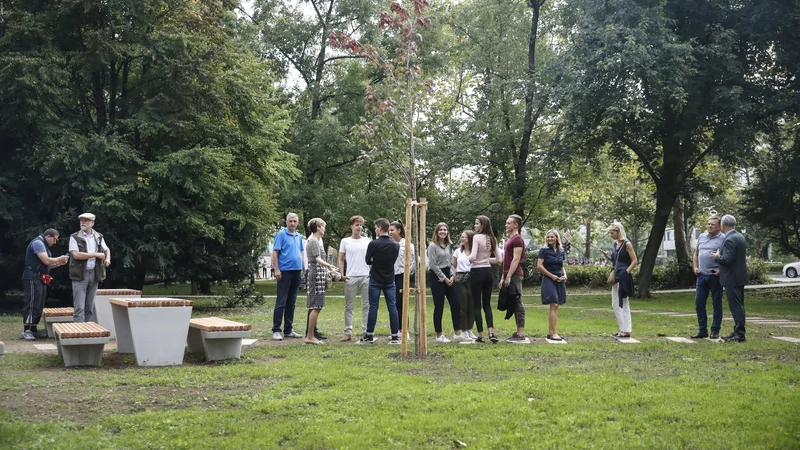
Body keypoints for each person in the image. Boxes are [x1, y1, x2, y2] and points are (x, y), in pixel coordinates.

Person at [21, 229, 69, 341]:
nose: (55, 242)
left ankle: (33, 329)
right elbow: (46, 260)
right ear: (48, 236)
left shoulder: (44, 245)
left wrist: (58, 264)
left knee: (39, 303)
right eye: (55, 239)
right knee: (32, 302)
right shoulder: (38, 243)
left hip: (40, 277)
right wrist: (60, 258)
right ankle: (26, 330)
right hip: (32, 277)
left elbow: (46, 265)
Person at [359, 218, 401, 344]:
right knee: (392, 307)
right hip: (389, 279)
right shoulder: (395, 244)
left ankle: (369, 334)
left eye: (376, 228)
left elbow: (367, 260)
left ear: (379, 228)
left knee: (373, 307)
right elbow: (392, 260)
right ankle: (395, 335)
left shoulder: (373, 244)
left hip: (375, 278)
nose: (375, 230)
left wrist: (374, 260)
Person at [427, 223, 467, 343]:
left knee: (455, 303)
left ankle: (457, 332)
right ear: (437, 232)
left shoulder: (448, 245)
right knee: (439, 306)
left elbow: (450, 262)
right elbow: (433, 265)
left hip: (449, 276)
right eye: (441, 230)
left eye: (445, 230)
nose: (443, 232)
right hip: (437, 277)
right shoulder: (432, 246)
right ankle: (439, 335)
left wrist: (452, 276)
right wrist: (444, 278)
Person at [711, 214, 748, 342]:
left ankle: (739, 334)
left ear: (722, 225)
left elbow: (727, 259)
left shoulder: (729, 239)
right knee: (739, 305)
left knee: (736, 306)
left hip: (732, 278)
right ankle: (738, 331)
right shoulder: (739, 236)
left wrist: (716, 256)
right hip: (739, 276)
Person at [68, 213, 111, 323]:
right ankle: (78, 333)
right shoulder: (75, 237)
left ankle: (87, 332)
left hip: (95, 273)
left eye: (86, 220)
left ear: (92, 223)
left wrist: (107, 259)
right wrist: (96, 254)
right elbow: (76, 255)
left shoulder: (98, 236)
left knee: (89, 306)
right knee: (79, 307)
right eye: (81, 220)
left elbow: (106, 249)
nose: (82, 222)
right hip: (80, 275)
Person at [691, 215, 726, 339]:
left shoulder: (723, 239)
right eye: (708, 224)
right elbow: (696, 253)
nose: (709, 226)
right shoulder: (701, 236)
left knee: (717, 303)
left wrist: (721, 270)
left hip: (715, 276)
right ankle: (702, 330)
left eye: (712, 224)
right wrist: (695, 267)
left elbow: (727, 257)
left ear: (719, 227)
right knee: (699, 303)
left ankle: (715, 330)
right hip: (701, 275)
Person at [304, 218, 338, 345]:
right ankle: (310, 336)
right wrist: (329, 266)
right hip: (315, 274)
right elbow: (317, 259)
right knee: (315, 306)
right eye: (323, 226)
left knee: (318, 306)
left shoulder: (318, 240)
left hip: (319, 274)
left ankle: (311, 335)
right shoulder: (313, 241)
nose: (324, 229)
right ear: (318, 227)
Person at [271, 213, 304, 341]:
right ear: (286, 222)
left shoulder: (299, 236)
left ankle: (288, 329)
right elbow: (275, 252)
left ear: (298, 223)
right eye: (290, 221)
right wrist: (276, 269)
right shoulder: (281, 235)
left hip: (297, 272)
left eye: (294, 221)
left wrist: (303, 269)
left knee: (292, 302)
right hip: (284, 272)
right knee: (281, 301)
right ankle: (276, 330)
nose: (292, 223)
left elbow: (300, 253)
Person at [338, 215, 371, 341]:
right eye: (357, 225)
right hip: (350, 276)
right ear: (351, 226)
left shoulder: (367, 240)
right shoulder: (345, 241)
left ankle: (366, 331)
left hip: (365, 276)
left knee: (366, 305)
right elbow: (340, 259)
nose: (359, 227)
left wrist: (371, 271)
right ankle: (347, 332)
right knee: (349, 306)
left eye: (361, 225)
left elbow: (373, 258)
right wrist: (342, 274)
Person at [469, 215, 501, 343]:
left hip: (477, 271)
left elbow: (472, 257)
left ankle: (480, 335)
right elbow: (499, 259)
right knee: (487, 304)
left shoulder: (476, 237)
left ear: (482, 225)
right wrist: (487, 259)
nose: (475, 226)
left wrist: (468, 258)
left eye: (477, 224)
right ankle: (491, 333)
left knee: (477, 305)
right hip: (488, 272)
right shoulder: (492, 238)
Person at [603, 222, 638, 338]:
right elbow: (616, 260)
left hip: (623, 276)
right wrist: (608, 256)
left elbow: (634, 261)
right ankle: (623, 329)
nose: (611, 235)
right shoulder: (615, 244)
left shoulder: (627, 244)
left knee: (624, 303)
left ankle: (626, 330)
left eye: (612, 233)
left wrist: (626, 272)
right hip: (615, 276)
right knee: (615, 304)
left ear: (619, 232)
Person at [500, 215, 528, 343]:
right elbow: (506, 260)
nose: (506, 225)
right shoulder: (510, 239)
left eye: (508, 223)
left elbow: (516, 259)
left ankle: (521, 333)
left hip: (515, 274)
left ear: (515, 225)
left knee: (518, 301)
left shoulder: (518, 239)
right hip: (509, 274)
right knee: (513, 302)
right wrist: (503, 277)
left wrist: (510, 275)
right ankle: (518, 332)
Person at [537, 229, 567, 341]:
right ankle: (554, 333)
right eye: (548, 237)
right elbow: (539, 266)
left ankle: (551, 332)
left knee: (556, 305)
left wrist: (564, 275)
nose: (549, 239)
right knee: (553, 304)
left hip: (559, 279)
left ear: (556, 238)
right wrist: (551, 276)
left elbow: (562, 265)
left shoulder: (561, 251)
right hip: (548, 279)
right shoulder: (543, 250)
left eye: (552, 237)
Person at [389, 220, 415, 336]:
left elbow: (415, 260)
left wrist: (408, 272)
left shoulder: (408, 244)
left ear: (399, 230)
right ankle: (395, 331)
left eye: (392, 230)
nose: (390, 232)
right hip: (390, 276)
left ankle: (404, 330)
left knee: (402, 303)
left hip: (402, 276)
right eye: (389, 230)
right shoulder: (389, 244)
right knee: (392, 304)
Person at [453, 230, 476, 340]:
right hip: (461, 279)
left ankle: (470, 329)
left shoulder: (474, 251)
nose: (462, 239)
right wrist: (455, 276)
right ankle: (464, 329)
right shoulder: (457, 251)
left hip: (472, 278)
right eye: (461, 237)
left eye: (464, 237)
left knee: (472, 304)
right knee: (463, 304)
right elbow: (454, 266)